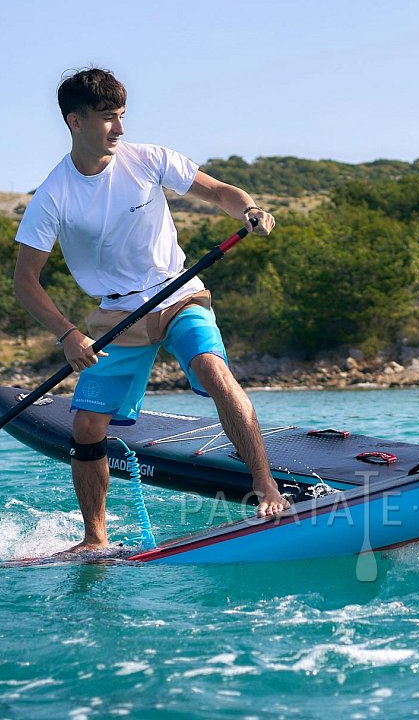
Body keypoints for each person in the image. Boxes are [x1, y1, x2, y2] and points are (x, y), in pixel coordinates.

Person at [14, 67, 289, 552]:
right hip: (117, 314)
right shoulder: (53, 195)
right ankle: (95, 539)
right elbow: (25, 281)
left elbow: (219, 192)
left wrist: (247, 208)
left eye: (122, 116)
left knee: (214, 372)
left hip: (177, 291)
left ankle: (265, 486)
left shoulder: (147, 160)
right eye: (107, 119)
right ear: (75, 122)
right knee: (86, 426)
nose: (119, 129)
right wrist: (68, 334)